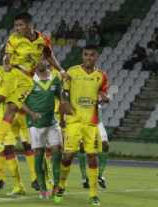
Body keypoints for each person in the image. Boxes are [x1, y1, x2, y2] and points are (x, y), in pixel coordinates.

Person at [0, 12, 68, 161]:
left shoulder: (43, 40)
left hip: (27, 81)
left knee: (12, 108)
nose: (17, 28)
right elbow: (7, 55)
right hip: (13, 73)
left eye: (20, 25)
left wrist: (61, 70)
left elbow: (48, 55)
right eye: (16, 25)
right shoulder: (13, 39)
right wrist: (6, 63)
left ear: (30, 25)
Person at [55, 45, 109, 206]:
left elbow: (104, 92)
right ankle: (62, 186)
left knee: (92, 156)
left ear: (96, 57)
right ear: (82, 56)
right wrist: (64, 103)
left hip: (91, 122)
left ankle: (93, 194)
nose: (88, 58)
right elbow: (64, 91)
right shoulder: (72, 72)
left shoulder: (101, 75)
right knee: (68, 156)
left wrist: (104, 98)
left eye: (92, 55)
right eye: (86, 55)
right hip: (74, 120)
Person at [0, 63, 39, 195]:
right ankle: (18, 186)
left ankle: (35, 178)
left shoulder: (25, 68)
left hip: (22, 115)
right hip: (6, 114)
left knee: (30, 146)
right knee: (8, 149)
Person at [23, 58, 63, 199]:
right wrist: (32, 114)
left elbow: (62, 99)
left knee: (57, 152)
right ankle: (43, 188)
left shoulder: (55, 79)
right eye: (37, 60)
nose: (40, 63)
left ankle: (56, 186)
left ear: (47, 62)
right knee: (38, 157)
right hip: (35, 125)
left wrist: (63, 118)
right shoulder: (28, 81)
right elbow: (19, 102)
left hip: (52, 123)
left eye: (42, 60)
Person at [78, 104, 109, 189]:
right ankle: (84, 178)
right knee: (82, 147)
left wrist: (105, 98)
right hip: (83, 122)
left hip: (97, 122)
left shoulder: (96, 92)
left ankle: (100, 176)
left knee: (105, 145)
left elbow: (105, 98)